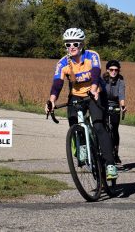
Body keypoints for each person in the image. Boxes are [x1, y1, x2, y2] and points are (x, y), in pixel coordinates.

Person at [45, 28, 118, 180]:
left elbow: (96, 73)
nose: (71, 47)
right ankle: (82, 147)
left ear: (82, 44)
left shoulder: (92, 55)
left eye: (75, 44)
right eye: (67, 44)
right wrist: (52, 100)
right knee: (74, 126)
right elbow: (57, 83)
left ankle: (110, 164)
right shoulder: (63, 63)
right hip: (76, 96)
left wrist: (94, 89)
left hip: (95, 93)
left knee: (98, 126)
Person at [102, 60, 127, 164]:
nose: (114, 71)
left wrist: (123, 105)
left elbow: (121, 95)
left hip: (115, 106)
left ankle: (115, 153)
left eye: (116, 70)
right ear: (107, 70)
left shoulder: (120, 81)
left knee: (115, 129)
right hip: (103, 104)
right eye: (111, 69)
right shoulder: (103, 79)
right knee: (102, 128)